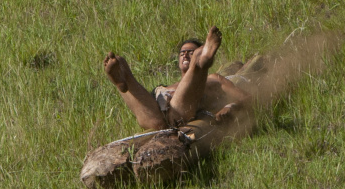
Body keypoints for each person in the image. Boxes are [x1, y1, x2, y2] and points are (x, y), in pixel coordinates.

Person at [104, 26, 251, 131]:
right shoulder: (166, 87)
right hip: (159, 109)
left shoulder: (214, 79)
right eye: (182, 53)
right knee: (155, 120)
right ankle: (124, 77)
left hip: (183, 112)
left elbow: (247, 98)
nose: (185, 55)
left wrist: (230, 106)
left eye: (190, 52)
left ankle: (200, 63)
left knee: (171, 116)